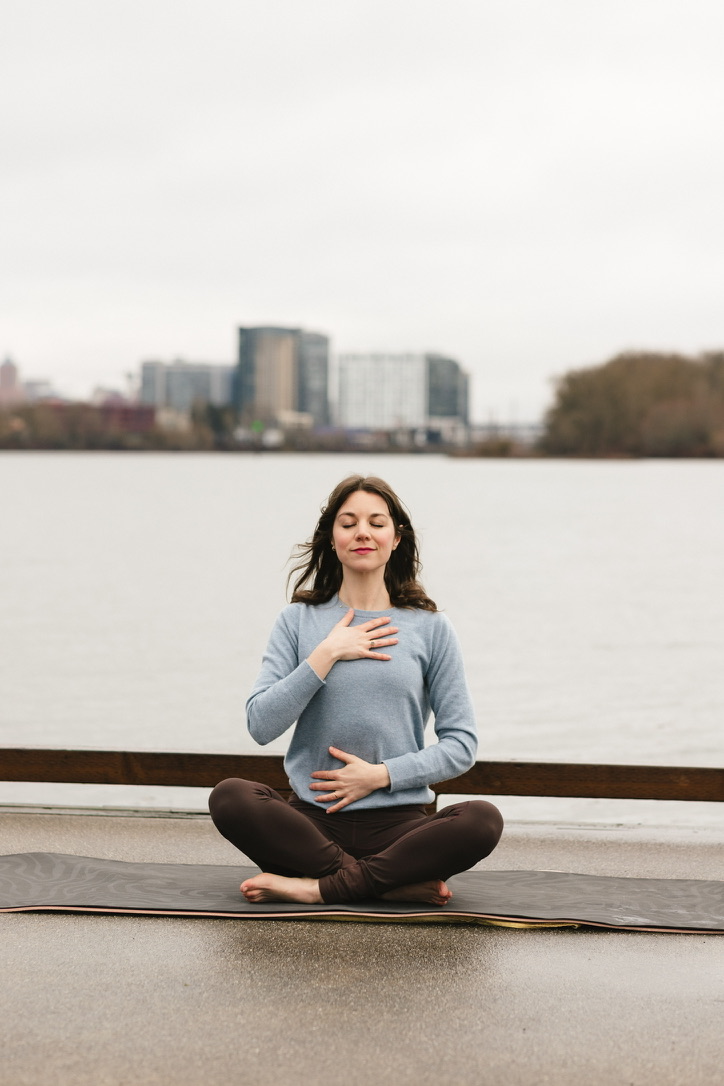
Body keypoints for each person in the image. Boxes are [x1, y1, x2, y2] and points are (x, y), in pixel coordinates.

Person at [208, 474, 503, 906]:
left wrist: (381, 775)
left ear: (396, 538)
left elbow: (461, 745)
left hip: (400, 828)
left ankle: (318, 887)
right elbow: (260, 724)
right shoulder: (297, 621)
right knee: (230, 796)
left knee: (482, 820)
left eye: (376, 522)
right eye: (348, 523)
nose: (362, 532)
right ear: (332, 538)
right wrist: (324, 655)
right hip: (311, 824)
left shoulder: (432, 628)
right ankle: (384, 883)